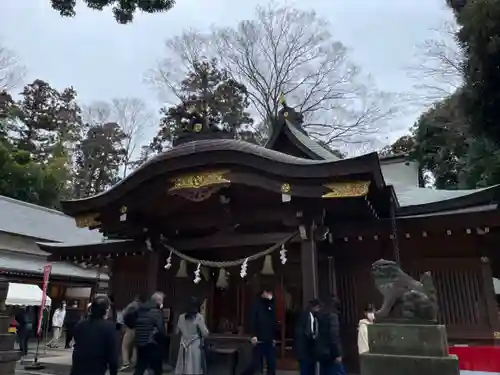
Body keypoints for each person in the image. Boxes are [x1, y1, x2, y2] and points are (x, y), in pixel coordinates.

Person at [70, 295, 119, 375]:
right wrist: (113, 372)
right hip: (96, 368)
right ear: (106, 310)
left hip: (77, 367)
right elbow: (112, 355)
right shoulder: (110, 327)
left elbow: (77, 343)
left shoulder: (80, 324)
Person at [240, 286, 277, 375]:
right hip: (259, 338)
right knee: (255, 364)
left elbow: (273, 322)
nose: (270, 295)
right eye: (268, 293)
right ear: (264, 293)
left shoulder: (271, 304)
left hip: (269, 339)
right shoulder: (256, 304)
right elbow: (252, 320)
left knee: (271, 363)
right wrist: (253, 335)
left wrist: (274, 337)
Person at [131, 291, 166, 375]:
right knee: (157, 369)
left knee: (140, 368)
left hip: (140, 343)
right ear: (158, 300)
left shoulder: (141, 310)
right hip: (152, 343)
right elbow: (161, 329)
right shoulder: (156, 312)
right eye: (162, 301)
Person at [174, 296, 209, 375]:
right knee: (194, 369)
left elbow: (176, 332)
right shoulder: (198, 317)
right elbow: (205, 333)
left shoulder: (181, 317)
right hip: (194, 347)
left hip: (183, 345)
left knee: (183, 368)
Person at [316, 296, 345, 375]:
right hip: (331, 353)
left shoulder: (320, 316)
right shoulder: (333, 317)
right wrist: (337, 354)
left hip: (322, 352)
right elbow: (334, 336)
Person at [295, 299, 321, 375]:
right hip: (305, 349)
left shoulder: (313, 317)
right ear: (314, 307)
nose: (318, 310)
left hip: (310, 350)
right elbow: (303, 333)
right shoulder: (305, 316)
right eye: (318, 308)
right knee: (306, 370)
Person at [120, 294, 145, 371]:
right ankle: (135, 363)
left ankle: (126, 364)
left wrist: (124, 326)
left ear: (136, 298)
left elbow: (124, 314)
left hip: (130, 328)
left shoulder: (131, 305)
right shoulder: (144, 307)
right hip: (140, 329)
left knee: (125, 346)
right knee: (135, 346)